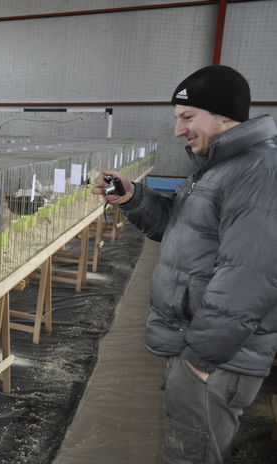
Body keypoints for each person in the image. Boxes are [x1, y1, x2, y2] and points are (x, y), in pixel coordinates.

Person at [92, 65, 277, 463]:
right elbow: (181, 230)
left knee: (193, 453)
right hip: (201, 345)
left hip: (218, 357)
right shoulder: (218, 165)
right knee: (187, 444)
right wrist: (133, 198)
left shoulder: (260, 172)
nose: (178, 130)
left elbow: (248, 280)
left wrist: (199, 360)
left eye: (187, 117)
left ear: (224, 115)